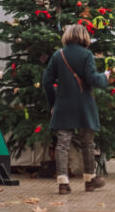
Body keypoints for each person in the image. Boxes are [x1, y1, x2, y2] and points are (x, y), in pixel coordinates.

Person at [42, 24, 109, 195]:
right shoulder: (86, 55)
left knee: (62, 145)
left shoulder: (59, 55)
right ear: (83, 37)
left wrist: (53, 103)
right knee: (87, 143)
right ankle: (89, 180)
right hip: (84, 106)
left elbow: (46, 81)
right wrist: (105, 77)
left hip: (63, 106)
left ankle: (63, 182)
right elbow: (92, 79)